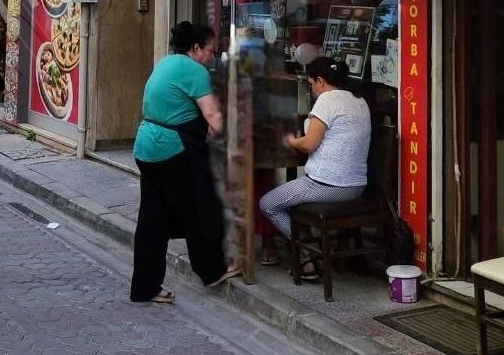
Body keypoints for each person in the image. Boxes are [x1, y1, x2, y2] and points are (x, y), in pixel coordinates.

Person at [129, 21, 240, 304]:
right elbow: (214, 119)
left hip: (146, 147)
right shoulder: (195, 71)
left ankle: (146, 286)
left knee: (152, 220)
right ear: (196, 48)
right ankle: (212, 270)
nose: (213, 57)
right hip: (172, 149)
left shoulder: (166, 63)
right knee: (199, 208)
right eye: (211, 51)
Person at [257, 56, 372, 277]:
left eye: (312, 84)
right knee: (293, 202)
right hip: (357, 188)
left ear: (320, 80)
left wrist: (290, 141)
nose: (313, 90)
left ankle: (313, 252)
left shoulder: (327, 100)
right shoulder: (360, 101)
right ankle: (307, 256)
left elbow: (309, 143)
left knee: (268, 203)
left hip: (326, 186)